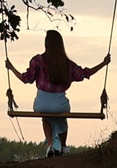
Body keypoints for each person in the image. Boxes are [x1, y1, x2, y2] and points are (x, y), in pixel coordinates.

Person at [7, 29, 109, 157]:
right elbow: (84, 74)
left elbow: (25, 79)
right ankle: (64, 146)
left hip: (42, 102)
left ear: (46, 44)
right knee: (62, 119)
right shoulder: (66, 64)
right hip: (60, 103)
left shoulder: (38, 60)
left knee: (45, 118)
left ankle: (50, 145)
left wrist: (11, 68)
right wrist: (103, 63)